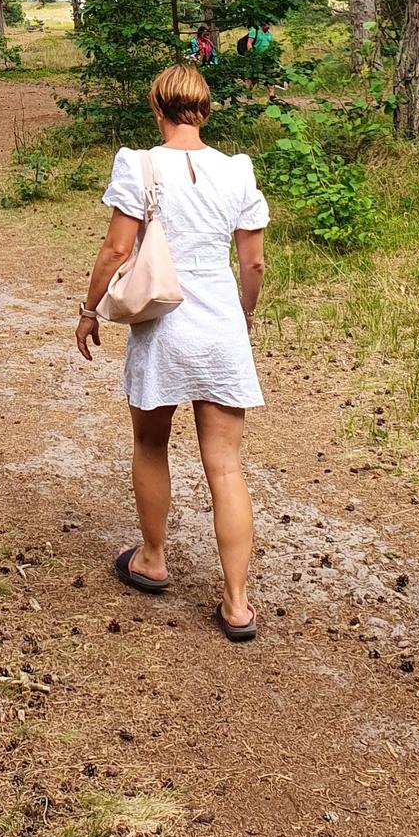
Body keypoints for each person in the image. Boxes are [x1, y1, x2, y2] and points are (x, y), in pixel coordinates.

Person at [75, 63, 269, 642]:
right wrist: (246, 312)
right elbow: (253, 262)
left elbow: (115, 249)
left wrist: (89, 310)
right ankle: (236, 603)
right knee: (226, 466)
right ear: (204, 110)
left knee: (151, 442)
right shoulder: (237, 171)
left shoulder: (138, 162)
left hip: (162, 323)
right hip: (220, 329)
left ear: (157, 108)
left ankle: (152, 559)